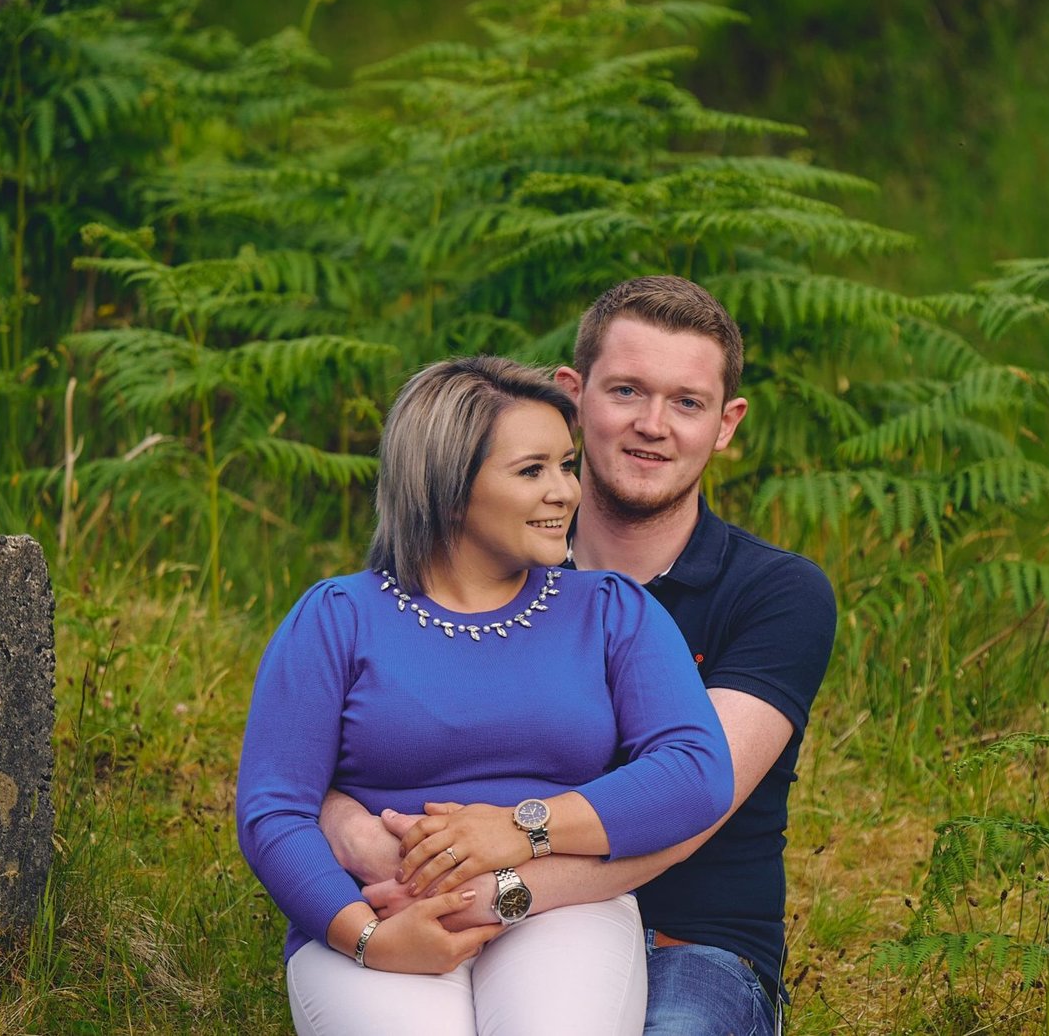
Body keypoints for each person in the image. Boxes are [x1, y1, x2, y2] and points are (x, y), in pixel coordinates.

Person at [323, 277, 837, 1034]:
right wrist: (352, 831)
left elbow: (689, 809)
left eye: (687, 403)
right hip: (465, 914)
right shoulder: (479, 570)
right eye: (626, 390)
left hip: (686, 947)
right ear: (573, 396)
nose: (652, 425)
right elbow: (348, 752)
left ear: (726, 424)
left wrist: (502, 881)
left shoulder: (777, 593)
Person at [236, 356, 734, 1036]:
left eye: (566, 464)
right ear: (447, 488)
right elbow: (274, 809)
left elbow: (695, 773)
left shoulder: (612, 610)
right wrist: (368, 940)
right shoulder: (337, 617)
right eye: (532, 471)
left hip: (560, 907)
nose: (565, 491)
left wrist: (520, 828)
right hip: (381, 907)